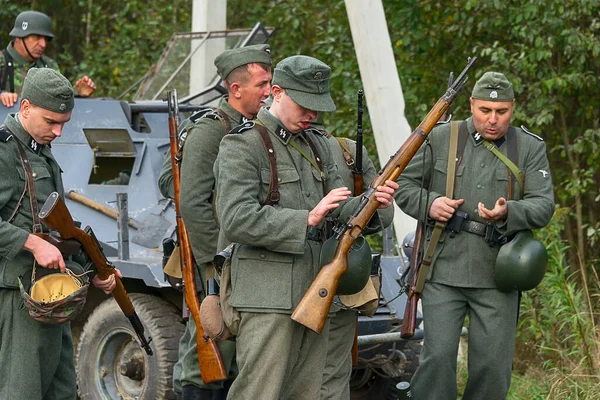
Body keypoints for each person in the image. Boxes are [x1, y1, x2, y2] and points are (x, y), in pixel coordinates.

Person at [213, 55, 397, 400]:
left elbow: (338, 212)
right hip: (269, 295)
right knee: (259, 392)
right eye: (304, 105)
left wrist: (373, 203)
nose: (312, 114)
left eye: (318, 106)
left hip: (317, 289)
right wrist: (305, 219)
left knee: (308, 392)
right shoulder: (243, 144)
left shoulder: (318, 145)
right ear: (277, 92)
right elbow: (236, 217)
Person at [395, 71, 555, 399]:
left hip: (498, 272)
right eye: (485, 111)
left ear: (512, 108)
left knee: (492, 370)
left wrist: (510, 211)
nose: (493, 120)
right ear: (471, 105)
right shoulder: (441, 137)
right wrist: (431, 204)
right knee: (437, 361)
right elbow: (402, 185)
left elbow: (544, 205)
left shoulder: (528, 147)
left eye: (501, 112)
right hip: (442, 267)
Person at [158, 44, 272, 400]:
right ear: (235, 89)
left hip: (245, 256)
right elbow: (191, 202)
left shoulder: (258, 128)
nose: (270, 92)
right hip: (216, 259)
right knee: (207, 350)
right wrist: (215, 262)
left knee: (237, 355)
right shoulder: (212, 130)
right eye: (262, 84)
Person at [0, 68, 118, 399]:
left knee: (61, 390)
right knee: (20, 391)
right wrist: (30, 242)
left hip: (52, 297)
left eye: (63, 122)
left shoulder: (39, 151)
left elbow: (57, 225)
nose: (59, 131)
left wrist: (97, 266)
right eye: (51, 121)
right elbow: (36, 235)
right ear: (25, 108)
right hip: (19, 298)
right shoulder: (5, 152)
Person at [0, 10, 96, 108]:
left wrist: (79, 93)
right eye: (37, 37)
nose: (43, 44)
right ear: (18, 37)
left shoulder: (49, 65)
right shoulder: (2, 61)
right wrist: (2, 96)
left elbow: (59, 102)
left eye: (46, 39)